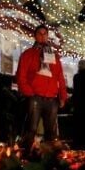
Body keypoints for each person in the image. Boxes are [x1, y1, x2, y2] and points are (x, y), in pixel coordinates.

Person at [16, 24, 67, 153]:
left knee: (51, 131)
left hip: (51, 97)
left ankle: (51, 158)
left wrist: (62, 96)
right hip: (35, 96)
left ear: (47, 36)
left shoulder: (54, 56)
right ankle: (25, 155)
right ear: (35, 36)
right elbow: (21, 75)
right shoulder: (28, 54)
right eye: (40, 33)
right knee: (31, 129)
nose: (43, 36)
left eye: (45, 34)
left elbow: (59, 77)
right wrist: (29, 93)